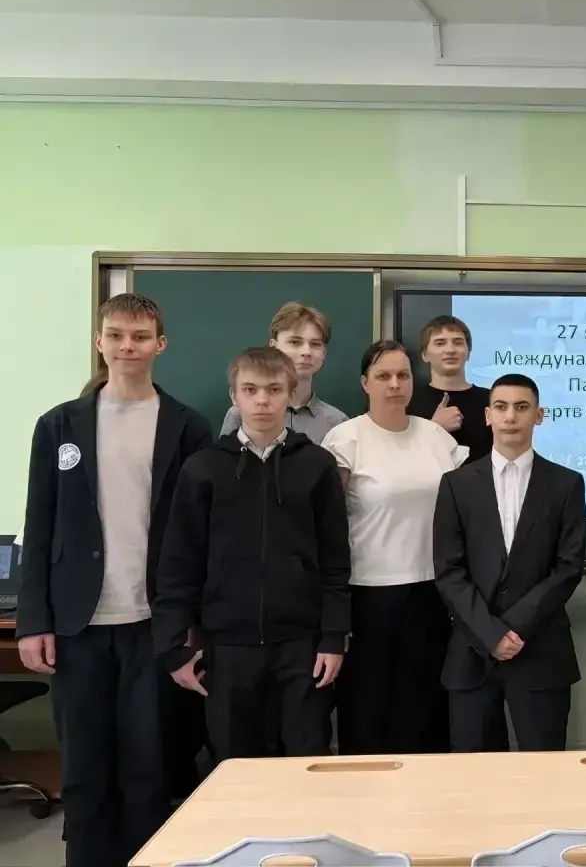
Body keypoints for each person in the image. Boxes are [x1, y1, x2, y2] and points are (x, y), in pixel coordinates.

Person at [16, 293, 212, 867]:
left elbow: (199, 537)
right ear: (99, 341)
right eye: (117, 335)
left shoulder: (187, 427)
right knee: (84, 768)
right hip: (77, 625)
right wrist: (33, 621)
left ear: (160, 344)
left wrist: (191, 623)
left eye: (141, 336)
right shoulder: (59, 425)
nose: (129, 346)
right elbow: (40, 524)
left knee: (148, 767)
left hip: (153, 624)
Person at [154, 347, 350, 761]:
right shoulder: (203, 468)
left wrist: (333, 638)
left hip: (302, 645)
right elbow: (178, 564)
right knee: (234, 763)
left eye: (274, 390)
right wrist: (173, 647)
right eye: (251, 390)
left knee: (308, 757)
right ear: (234, 396)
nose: (263, 400)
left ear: (290, 395)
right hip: (227, 646)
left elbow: (335, 561)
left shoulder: (317, 465)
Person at [322, 340, 467, 754]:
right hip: (367, 593)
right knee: (368, 710)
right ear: (364, 383)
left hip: (432, 591)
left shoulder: (435, 436)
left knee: (425, 710)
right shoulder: (346, 438)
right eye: (383, 376)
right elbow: (327, 525)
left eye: (403, 375)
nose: (394, 384)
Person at [433, 373, 586, 752]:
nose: (510, 416)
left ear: (539, 415)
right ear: (488, 416)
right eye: (501, 407)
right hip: (472, 653)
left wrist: (514, 629)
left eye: (522, 407)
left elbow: (568, 567)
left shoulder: (566, 483)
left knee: (544, 770)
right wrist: (491, 634)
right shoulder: (456, 484)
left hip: (541, 649)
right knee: (474, 775)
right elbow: (449, 571)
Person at [218, 302, 347, 442]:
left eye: (315, 344)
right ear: (273, 347)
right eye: (295, 342)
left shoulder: (337, 422)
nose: (306, 352)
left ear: (324, 353)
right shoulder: (241, 414)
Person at [406, 314, 492, 464]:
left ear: (469, 353)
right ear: (425, 355)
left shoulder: (492, 400)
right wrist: (435, 428)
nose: (450, 350)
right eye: (440, 343)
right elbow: (399, 461)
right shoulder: (408, 402)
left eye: (458, 343)